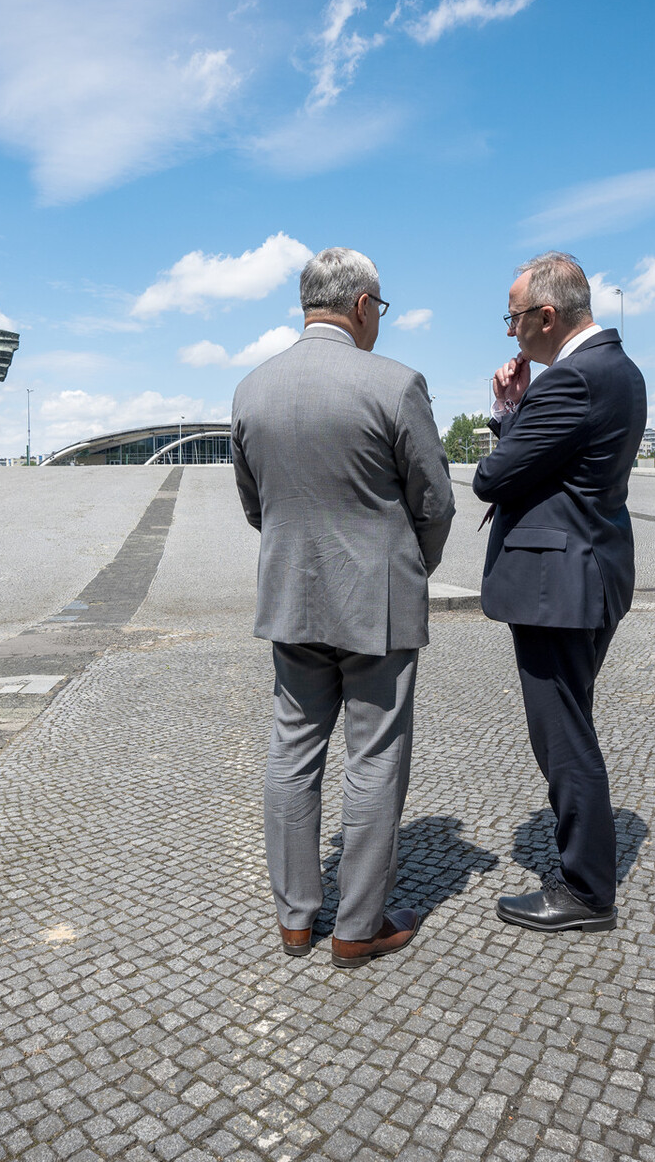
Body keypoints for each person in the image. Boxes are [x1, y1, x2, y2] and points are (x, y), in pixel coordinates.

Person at [232, 246, 455, 968]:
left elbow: (256, 505)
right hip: (378, 604)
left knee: (292, 750)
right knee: (375, 756)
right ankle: (358, 927)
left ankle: (295, 921)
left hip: (291, 597)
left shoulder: (252, 389)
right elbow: (435, 501)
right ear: (362, 306)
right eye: (379, 309)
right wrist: (411, 566)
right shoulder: (395, 384)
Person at [473, 252, 646, 933]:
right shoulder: (618, 368)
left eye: (513, 317)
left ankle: (586, 890)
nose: (509, 331)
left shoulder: (572, 379)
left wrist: (507, 409)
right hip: (591, 571)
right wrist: (522, 410)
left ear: (547, 316)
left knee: (563, 736)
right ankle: (586, 876)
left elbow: (493, 478)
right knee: (572, 722)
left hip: (559, 585)